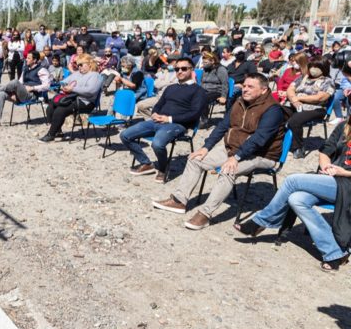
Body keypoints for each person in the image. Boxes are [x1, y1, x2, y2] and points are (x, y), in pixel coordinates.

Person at [234, 63, 351, 271]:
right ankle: (334, 252)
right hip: (332, 180)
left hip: (347, 183)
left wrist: (343, 171)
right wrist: (325, 166)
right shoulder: (344, 126)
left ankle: (261, 221)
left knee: (293, 180)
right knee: (297, 199)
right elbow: (325, 150)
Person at [152, 73, 285, 230]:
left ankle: (205, 214)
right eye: (244, 86)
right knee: (195, 159)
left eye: (250, 87)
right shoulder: (239, 102)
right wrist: (205, 148)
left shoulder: (272, 110)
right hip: (233, 147)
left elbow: (259, 139)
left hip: (262, 154)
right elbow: (222, 126)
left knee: (228, 171)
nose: (245, 90)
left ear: (263, 90)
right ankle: (179, 201)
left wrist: (236, 157)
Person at [119, 58, 207, 183]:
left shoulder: (198, 91)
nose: (180, 71)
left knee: (157, 144)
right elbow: (159, 104)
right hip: (157, 121)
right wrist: (154, 113)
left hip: (177, 125)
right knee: (125, 135)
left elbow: (194, 114)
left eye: (184, 68)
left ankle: (163, 168)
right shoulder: (171, 88)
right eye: (177, 69)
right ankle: (146, 164)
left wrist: (169, 119)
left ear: (191, 70)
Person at [40, 53, 102, 142]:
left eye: (81, 64)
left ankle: (51, 134)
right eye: (78, 65)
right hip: (73, 98)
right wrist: (62, 86)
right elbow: (64, 82)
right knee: (50, 107)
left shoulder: (95, 75)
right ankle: (57, 131)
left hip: (86, 102)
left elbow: (90, 90)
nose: (79, 67)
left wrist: (72, 88)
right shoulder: (77, 73)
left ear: (89, 64)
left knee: (60, 110)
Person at [284, 60, 334, 159]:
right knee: (276, 112)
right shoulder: (303, 77)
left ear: (323, 68)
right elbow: (290, 89)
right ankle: (278, 142)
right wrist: (294, 100)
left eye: (317, 67)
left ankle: (298, 147)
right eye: (311, 66)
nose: (313, 69)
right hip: (295, 104)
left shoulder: (328, 81)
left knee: (295, 121)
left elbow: (320, 98)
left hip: (316, 108)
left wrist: (299, 98)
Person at [0, 50, 50, 126]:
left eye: (29, 58)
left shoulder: (42, 70)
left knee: (15, 81)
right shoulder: (26, 69)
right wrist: (14, 92)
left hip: (32, 95)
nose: (26, 59)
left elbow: (47, 86)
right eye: (26, 58)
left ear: (35, 60)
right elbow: (20, 83)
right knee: (2, 94)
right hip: (22, 94)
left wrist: (33, 88)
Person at [199, 52, 229, 125]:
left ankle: (204, 119)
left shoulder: (220, 69)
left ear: (212, 61)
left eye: (206, 62)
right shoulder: (205, 69)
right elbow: (202, 82)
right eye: (203, 62)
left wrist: (223, 96)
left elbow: (225, 84)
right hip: (205, 90)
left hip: (216, 91)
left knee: (203, 98)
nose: (204, 64)